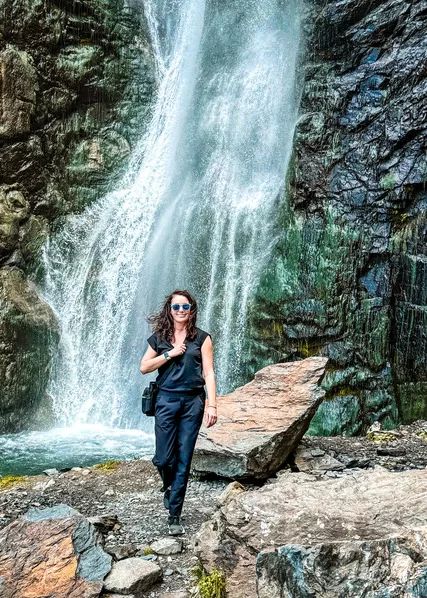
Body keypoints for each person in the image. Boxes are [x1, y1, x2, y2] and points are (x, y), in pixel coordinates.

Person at [140, 289, 217, 535]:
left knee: (184, 458)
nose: (181, 311)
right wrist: (169, 354)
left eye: (185, 307)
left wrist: (212, 405)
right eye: (176, 307)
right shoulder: (159, 338)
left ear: (191, 310)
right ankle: (168, 486)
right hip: (166, 400)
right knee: (163, 458)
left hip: (193, 403)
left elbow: (209, 373)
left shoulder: (202, 339)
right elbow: (144, 367)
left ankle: (175, 515)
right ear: (170, 311)